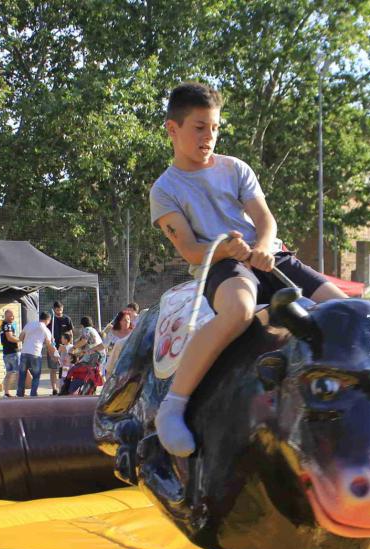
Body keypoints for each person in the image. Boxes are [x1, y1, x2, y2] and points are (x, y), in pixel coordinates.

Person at [148, 81, 348, 456]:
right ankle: (173, 405)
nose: (210, 136)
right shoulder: (165, 190)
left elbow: (266, 220)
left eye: (216, 127)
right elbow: (191, 250)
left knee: (346, 310)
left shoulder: (235, 168)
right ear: (172, 130)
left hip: (271, 257)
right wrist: (224, 248)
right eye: (200, 127)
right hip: (221, 266)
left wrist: (262, 247)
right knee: (239, 311)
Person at [16, 311, 57, 397]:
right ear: (48, 320)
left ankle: (20, 394)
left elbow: (20, 338)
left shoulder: (29, 324)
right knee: (36, 375)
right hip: (36, 354)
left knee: (22, 374)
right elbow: (49, 345)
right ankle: (33, 394)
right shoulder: (46, 330)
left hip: (24, 352)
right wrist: (53, 355)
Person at [0, 309, 21, 398]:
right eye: (10, 316)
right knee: (18, 373)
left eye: (13, 316)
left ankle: (6, 392)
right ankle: (19, 392)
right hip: (12, 352)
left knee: (9, 373)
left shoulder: (3, 325)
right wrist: (20, 339)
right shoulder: (7, 325)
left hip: (6, 353)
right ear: (6, 316)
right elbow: (9, 337)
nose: (12, 317)